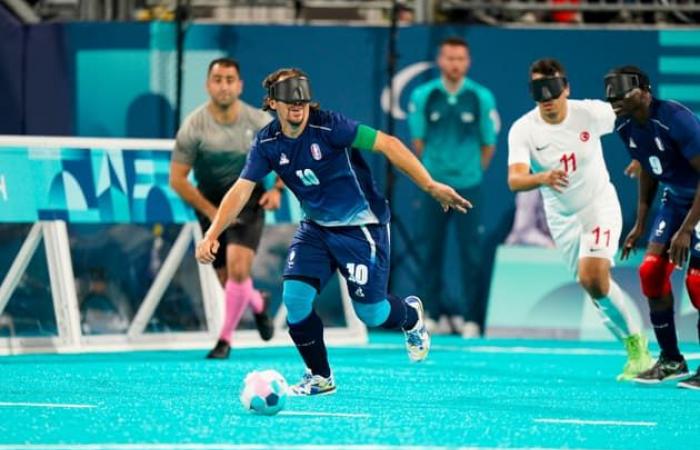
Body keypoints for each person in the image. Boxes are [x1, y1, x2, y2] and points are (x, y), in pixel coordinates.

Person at [196, 67, 470, 395]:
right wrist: (212, 233)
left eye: (303, 99)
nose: (297, 105)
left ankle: (410, 316)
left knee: (372, 313)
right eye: (289, 99)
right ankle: (320, 377)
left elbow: (388, 143)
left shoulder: (331, 126)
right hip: (315, 229)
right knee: (295, 300)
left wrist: (429, 185)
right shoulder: (267, 142)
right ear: (273, 103)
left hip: (362, 227)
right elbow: (242, 189)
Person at [507, 58, 652, 381]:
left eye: (553, 88)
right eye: (537, 91)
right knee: (595, 290)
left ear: (566, 88)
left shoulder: (589, 112)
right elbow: (515, 180)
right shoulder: (524, 129)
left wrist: (642, 156)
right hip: (563, 221)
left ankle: (640, 349)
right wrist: (542, 177)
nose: (546, 98)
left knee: (593, 276)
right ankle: (633, 347)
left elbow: (639, 115)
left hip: (599, 206)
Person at [170, 57, 279, 359]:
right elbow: (178, 180)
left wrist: (277, 190)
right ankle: (258, 304)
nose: (224, 86)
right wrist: (211, 213)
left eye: (230, 79)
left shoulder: (259, 122)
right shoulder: (193, 126)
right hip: (211, 204)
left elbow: (288, 156)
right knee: (227, 281)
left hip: (248, 200)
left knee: (239, 269)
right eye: (217, 80)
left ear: (240, 85)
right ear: (208, 85)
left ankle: (224, 340)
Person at [607, 65, 700, 389]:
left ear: (644, 90)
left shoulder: (675, 118)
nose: (613, 97)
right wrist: (640, 223)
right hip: (675, 199)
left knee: (698, 283)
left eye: (621, 89)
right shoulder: (625, 127)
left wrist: (687, 229)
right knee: (650, 272)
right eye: (610, 90)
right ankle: (672, 359)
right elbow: (650, 168)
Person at [408, 36, 499, 337]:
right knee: (429, 252)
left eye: (460, 58)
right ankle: (430, 315)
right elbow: (418, 142)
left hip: (468, 186)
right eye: (449, 58)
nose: (455, 64)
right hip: (434, 187)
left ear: (468, 62)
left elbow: (488, 144)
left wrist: (467, 173)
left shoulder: (481, 96)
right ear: (439, 60)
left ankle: (471, 319)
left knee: (471, 255)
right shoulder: (424, 94)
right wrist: (433, 180)